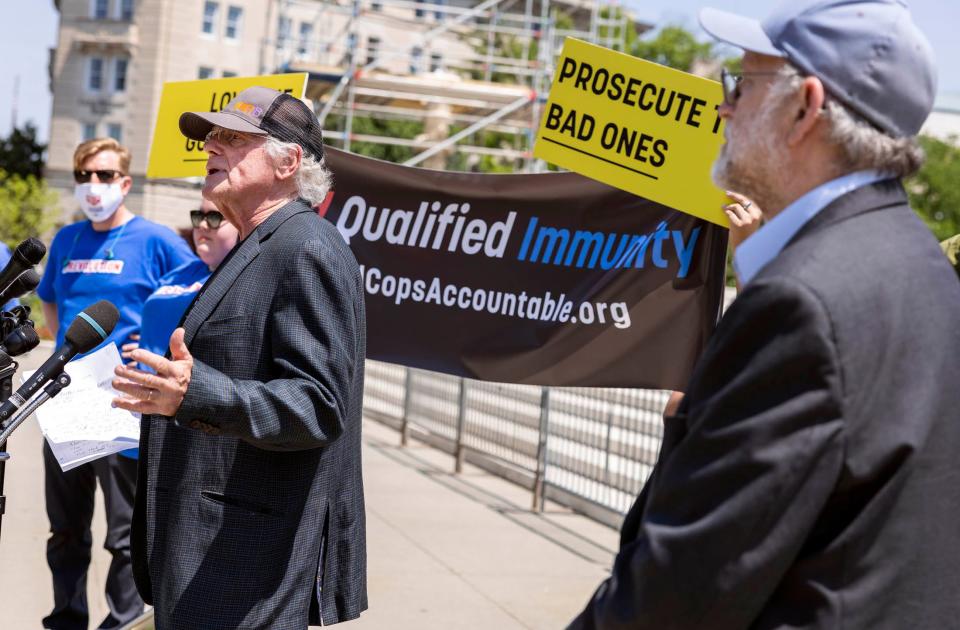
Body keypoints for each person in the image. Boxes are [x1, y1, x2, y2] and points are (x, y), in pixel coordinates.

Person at [569, 1, 960, 628]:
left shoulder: (798, 302)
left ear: (805, 108)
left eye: (740, 86)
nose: (722, 107)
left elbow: (678, 593)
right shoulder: (921, 265)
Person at [112, 87, 368, 628]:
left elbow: (320, 405)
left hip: (251, 566)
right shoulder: (258, 248)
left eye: (232, 137)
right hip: (215, 553)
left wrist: (196, 393)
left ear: (288, 161)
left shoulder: (307, 247)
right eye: (211, 136)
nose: (210, 145)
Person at [36, 137, 196, 630]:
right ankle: (67, 617)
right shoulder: (67, 240)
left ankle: (123, 621)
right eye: (85, 175)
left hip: (125, 399)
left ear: (125, 183)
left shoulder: (156, 240)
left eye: (105, 175)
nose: (93, 185)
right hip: (66, 398)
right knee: (65, 527)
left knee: (123, 533)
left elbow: (194, 294)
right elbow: (50, 305)